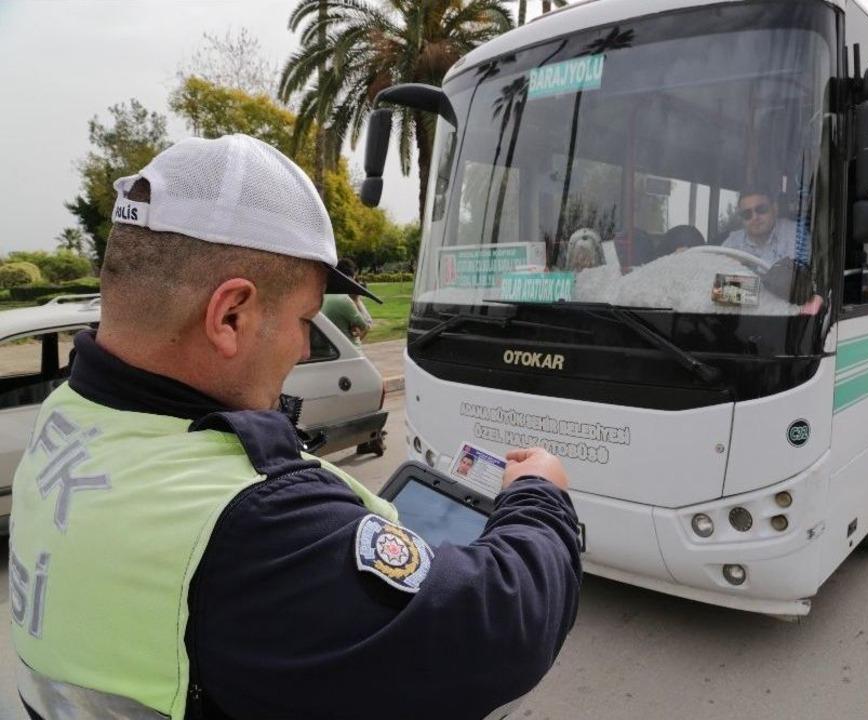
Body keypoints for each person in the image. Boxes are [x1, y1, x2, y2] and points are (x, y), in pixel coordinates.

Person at [10, 134, 581, 720]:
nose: (305, 345)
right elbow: (502, 626)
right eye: (305, 319)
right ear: (230, 315)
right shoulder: (250, 522)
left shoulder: (70, 416)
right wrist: (539, 496)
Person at [722, 189, 800, 267]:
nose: (755, 217)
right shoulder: (732, 243)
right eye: (747, 214)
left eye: (761, 209)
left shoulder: (796, 235)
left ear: (775, 209)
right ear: (742, 219)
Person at [321, 257, 374, 344]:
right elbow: (366, 325)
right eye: (354, 278)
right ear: (349, 278)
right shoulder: (342, 300)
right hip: (344, 348)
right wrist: (356, 299)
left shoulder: (324, 296)